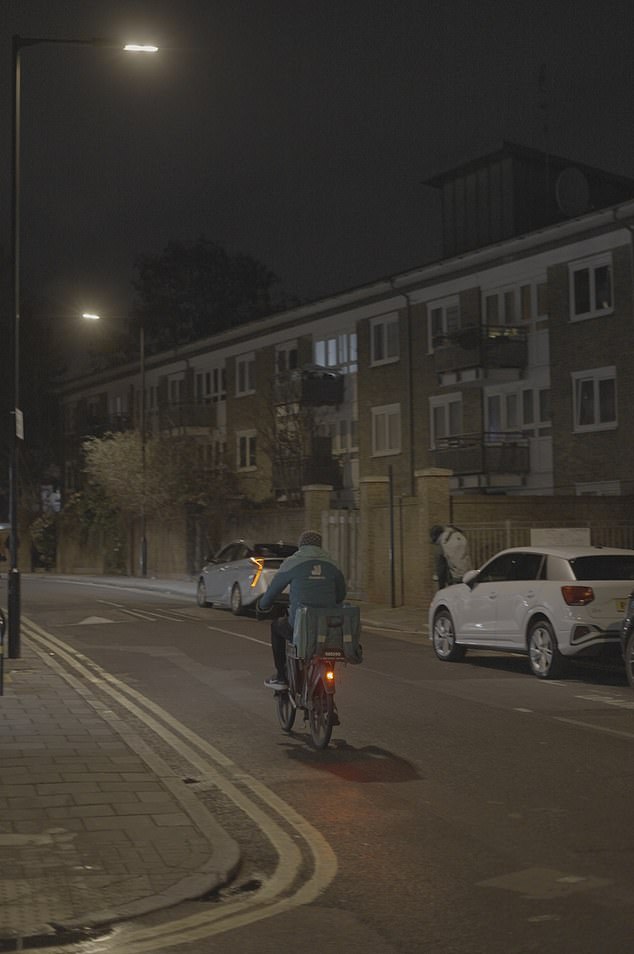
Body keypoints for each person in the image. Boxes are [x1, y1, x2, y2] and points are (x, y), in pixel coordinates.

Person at [259, 530, 347, 690]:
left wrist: (263, 605)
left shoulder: (292, 562)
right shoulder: (333, 563)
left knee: (277, 626)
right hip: (329, 627)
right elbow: (341, 595)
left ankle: (281, 677)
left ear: (301, 545)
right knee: (328, 647)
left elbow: (273, 590)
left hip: (301, 627)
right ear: (320, 545)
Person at [430, 524, 472, 589]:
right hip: (469, 575)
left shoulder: (442, 544)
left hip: (456, 578)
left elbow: (441, 567)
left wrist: (441, 586)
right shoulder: (458, 535)